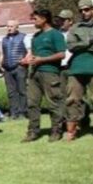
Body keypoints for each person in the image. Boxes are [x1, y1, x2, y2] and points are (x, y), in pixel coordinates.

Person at [64, 0, 93, 141]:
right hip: (76, 67)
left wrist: (81, 44)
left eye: (87, 9)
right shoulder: (74, 28)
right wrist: (89, 42)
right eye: (82, 10)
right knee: (72, 99)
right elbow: (71, 47)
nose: (84, 12)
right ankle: (71, 133)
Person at [20, 9, 67, 142]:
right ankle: (33, 131)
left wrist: (42, 59)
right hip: (34, 73)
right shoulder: (35, 37)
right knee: (32, 103)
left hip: (50, 72)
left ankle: (56, 131)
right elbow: (33, 55)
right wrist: (26, 61)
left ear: (44, 18)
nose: (33, 21)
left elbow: (61, 54)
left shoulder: (56, 35)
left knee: (53, 103)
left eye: (35, 19)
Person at [0, 20, 29, 119]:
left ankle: (23, 112)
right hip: (7, 68)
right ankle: (14, 112)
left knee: (22, 90)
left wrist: (25, 60)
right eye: (8, 26)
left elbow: (30, 51)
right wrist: (1, 66)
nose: (9, 28)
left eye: (11, 26)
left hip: (19, 67)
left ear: (17, 27)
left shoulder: (24, 37)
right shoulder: (4, 39)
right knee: (11, 92)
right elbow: (2, 54)